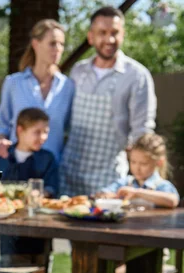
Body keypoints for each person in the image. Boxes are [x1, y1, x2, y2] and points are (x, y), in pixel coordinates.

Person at [59, 5, 157, 197]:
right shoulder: (78, 71)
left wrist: (142, 177)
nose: (109, 39)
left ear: (123, 34)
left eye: (115, 32)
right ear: (91, 37)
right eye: (102, 33)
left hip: (109, 178)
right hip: (69, 173)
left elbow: (142, 131)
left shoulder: (137, 75)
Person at [0, 19, 74, 165]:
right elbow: (1, 122)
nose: (58, 49)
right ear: (36, 44)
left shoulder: (68, 87)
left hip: (52, 170)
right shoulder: (14, 83)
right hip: (17, 166)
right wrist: (1, 140)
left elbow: (70, 129)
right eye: (53, 43)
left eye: (62, 44)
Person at [98, 133, 180, 209]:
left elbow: (173, 201)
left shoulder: (161, 185)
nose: (137, 168)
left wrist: (137, 193)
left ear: (159, 162)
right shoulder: (126, 182)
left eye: (143, 164)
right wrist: (108, 196)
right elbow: (102, 194)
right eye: (133, 162)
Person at [0, 107, 59, 197]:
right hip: (3, 207)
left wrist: (40, 193)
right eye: (37, 132)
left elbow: (52, 187)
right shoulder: (1, 155)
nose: (43, 137)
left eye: (45, 132)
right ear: (20, 130)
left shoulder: (47, 158)